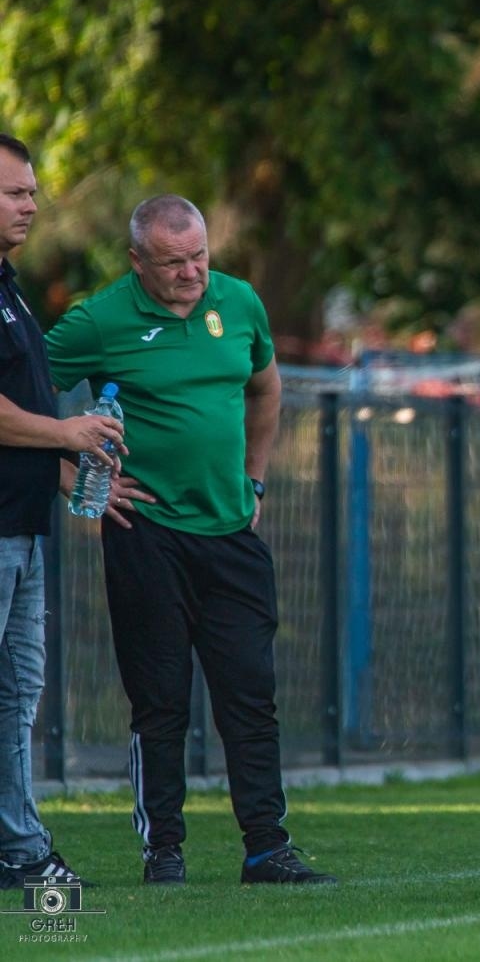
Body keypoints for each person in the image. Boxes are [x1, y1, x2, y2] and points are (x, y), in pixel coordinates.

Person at [45, 194, 334, 886]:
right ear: (137, 260)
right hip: (146, 535)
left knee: (251, 692)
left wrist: (255, 480)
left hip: (232, 532)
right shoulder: (97, 319)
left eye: (199, 256)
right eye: (173, 262)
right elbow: (19, 401)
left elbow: (266, 389)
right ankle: (164, 849)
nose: (190, 273)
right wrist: (71, 479)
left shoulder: (239, 303)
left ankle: (267, 847)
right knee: (160, 697)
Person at [0, 134, 126, 890]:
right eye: (16, 193)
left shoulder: (10, 285)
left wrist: (74, 464)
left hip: (25, 527)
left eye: (32, 192)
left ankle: (17, 845)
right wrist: (65, 432)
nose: (32, 205)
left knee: (18, 695)